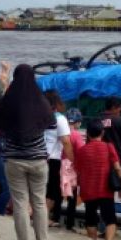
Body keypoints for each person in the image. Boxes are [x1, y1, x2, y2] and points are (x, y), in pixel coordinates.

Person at [0, 64, 54, 240]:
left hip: (15, 160)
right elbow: (53, 123)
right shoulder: (41, 101)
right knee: (39, 202)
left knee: (20, 203)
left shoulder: (9, 101)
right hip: (39, 160)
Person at [74, 119, 121, 240]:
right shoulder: (109, 147)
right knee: (110, 219)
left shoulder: (82, 151)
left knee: (90, 219)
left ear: (87, 134)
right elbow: (117, 168)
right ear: (102, 133)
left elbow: (78, 171)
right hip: (105, 190)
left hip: (88, 191)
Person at [43, 90, 73, 228]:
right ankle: (44, 217)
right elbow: (66, 141)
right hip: (52, 159)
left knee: (40, 188)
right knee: (52, 190)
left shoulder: (39, 116)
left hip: (37, 156)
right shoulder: (60, 119)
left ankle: (38, 215)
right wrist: (73, 160)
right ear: (57, 104)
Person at [58, 108, 84, 230]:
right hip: (71, 167)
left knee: (57, 193)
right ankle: (69, 224)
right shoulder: (76, 135)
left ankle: (54, 218)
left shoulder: (60, 132)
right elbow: (80, 152)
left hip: (58, 164)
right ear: (78, 122)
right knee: (71, 197)